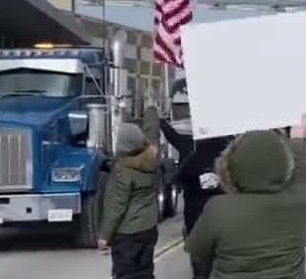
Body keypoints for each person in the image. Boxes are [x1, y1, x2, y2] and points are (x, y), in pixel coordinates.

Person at [185, 116, 306, 277]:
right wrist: (297, 137)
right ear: (284, 164)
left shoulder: (218, 209)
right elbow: (301, 173)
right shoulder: (299, 203)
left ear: (231, 165)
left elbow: (198, 252)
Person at [161, 119, 230, 279]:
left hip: (195, 220)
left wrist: (161, 122)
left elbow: (174, 180)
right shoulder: (229, 156)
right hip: (223, 220)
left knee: (200, 268)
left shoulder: (191, 153)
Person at [98, 122, 160, 279]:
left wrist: (105, 236)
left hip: (128, 233)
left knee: (126, 273)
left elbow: (116, 207)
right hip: (149, 228)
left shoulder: (123, 173)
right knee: (145, 271)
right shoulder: (152, 162)